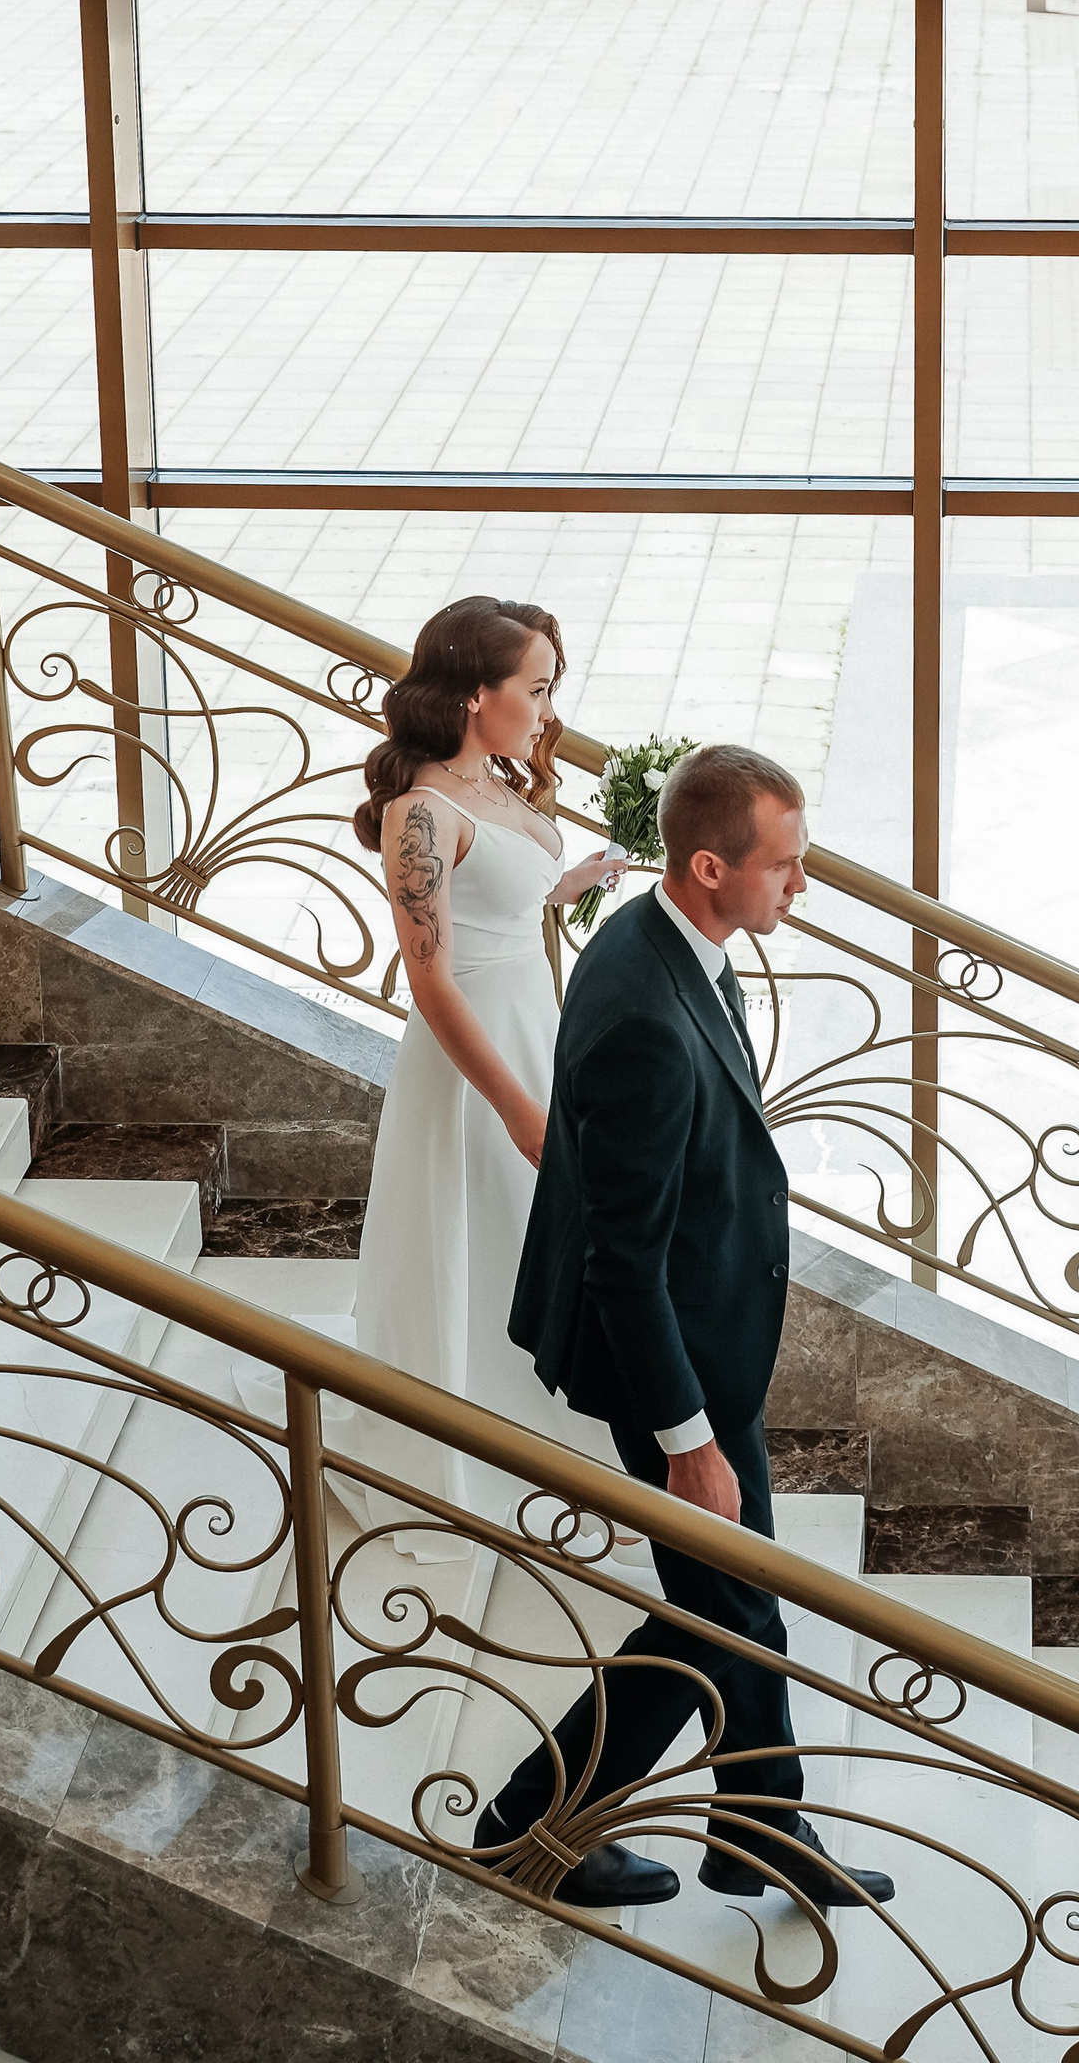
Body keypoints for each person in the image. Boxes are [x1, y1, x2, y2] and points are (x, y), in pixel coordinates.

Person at [473, 743, 897, 1916]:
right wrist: (688, 1440)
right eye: (786, 865)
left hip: (703, 1345)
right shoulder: (645, 1020)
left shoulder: (668, 941)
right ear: (710, 867)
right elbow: (622, 1262)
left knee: (738, 1604)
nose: (802, 884)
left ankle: (759, 1832)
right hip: (666, 1364)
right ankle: (522, 1827)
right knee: (716, 1621)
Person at [344, 596, 625, 1557]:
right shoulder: (420, 814)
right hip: (476, 1065)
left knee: (535, 1236)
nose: (548, 713)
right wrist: (514, 1109)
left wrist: (573, 881)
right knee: (494, 1233)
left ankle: (570, 1436)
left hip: (533, 1030)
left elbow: (501, 898)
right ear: (475, 694)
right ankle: (480, 1451)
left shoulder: (491, 779)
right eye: (535, 690)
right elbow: (430, 981)